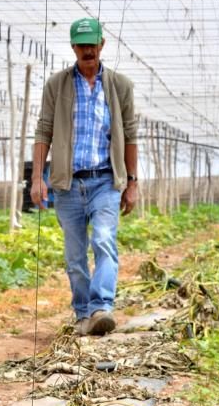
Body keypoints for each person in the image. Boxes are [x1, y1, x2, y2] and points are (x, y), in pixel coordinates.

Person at [31, 17, 138, 336]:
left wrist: (132, 182)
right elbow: (44, 130)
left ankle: (101, 307)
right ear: (73, 48)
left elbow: (130, 134)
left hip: (105, 180)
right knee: (75, 256)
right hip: (67, 184)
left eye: (92, 44)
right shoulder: (57, 85)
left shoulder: (120, 86)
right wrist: (38, 177)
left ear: (102, 44)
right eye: (82, 45)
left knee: (104, 240)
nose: (88, 50)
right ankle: (82, 313)